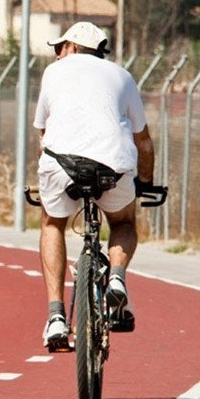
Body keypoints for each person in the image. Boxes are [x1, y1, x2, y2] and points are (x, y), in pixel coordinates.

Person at [33, 22, 155, 349]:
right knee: (124, 221)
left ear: (72, 48)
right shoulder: (122, 76)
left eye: (60, 47)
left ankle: (57, 317)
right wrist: (145, 183)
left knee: (52, 224)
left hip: (61, 165)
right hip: (112, 167)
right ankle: (116, 277)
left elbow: (43, 134)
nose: (57, 53)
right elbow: (142, 141)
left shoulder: (53, 74)